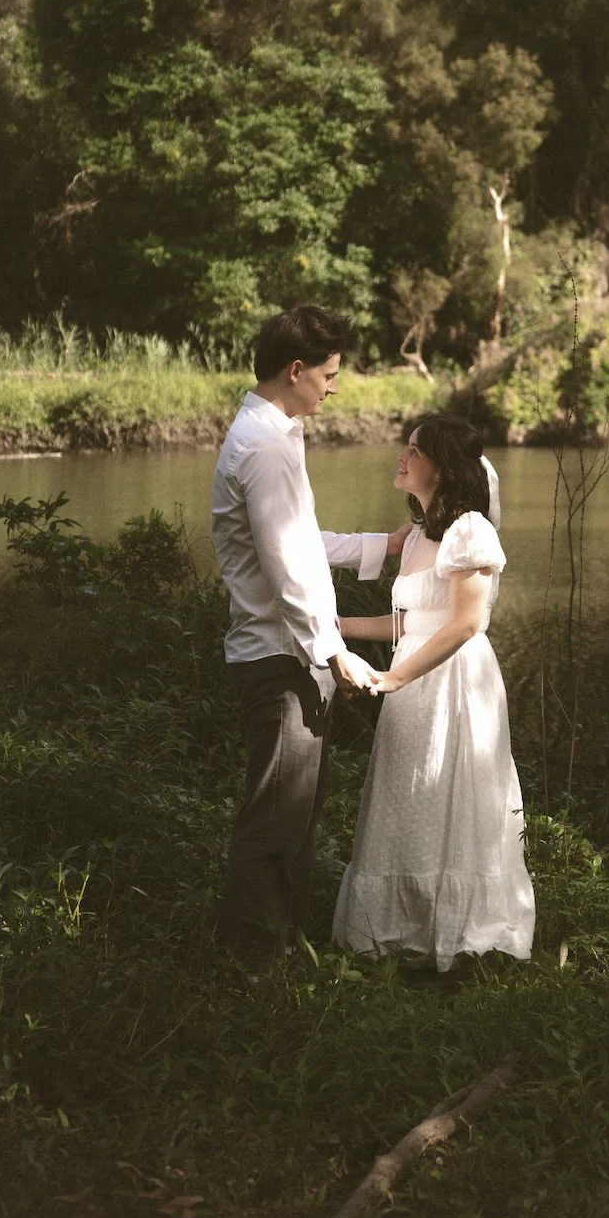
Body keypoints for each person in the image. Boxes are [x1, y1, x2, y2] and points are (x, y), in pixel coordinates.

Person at [212, 305, 412, 964]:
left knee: (292, 821)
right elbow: (285, 569)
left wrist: (380, 545)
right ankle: (253, 972)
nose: (334, 387)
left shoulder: (273, 435)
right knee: (275, 824)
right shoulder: (264, 445)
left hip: (289, 656)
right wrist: (334, 653)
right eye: (328, 375)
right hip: (282, 660)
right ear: (295, 371)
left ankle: (281, 955)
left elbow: (300, 542)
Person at [333, 415, 535, 971]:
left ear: (442, 467)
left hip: (454, 682)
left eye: (414, 449)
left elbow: (465, 624)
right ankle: (405, 931)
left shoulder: (470, 530)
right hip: (413, 678)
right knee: (409, 796)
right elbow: (407, 625)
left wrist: (395, 678)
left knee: (451, 797)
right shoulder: (421, 533)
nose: (402, 455)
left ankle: (465, 933)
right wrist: (335, 627)